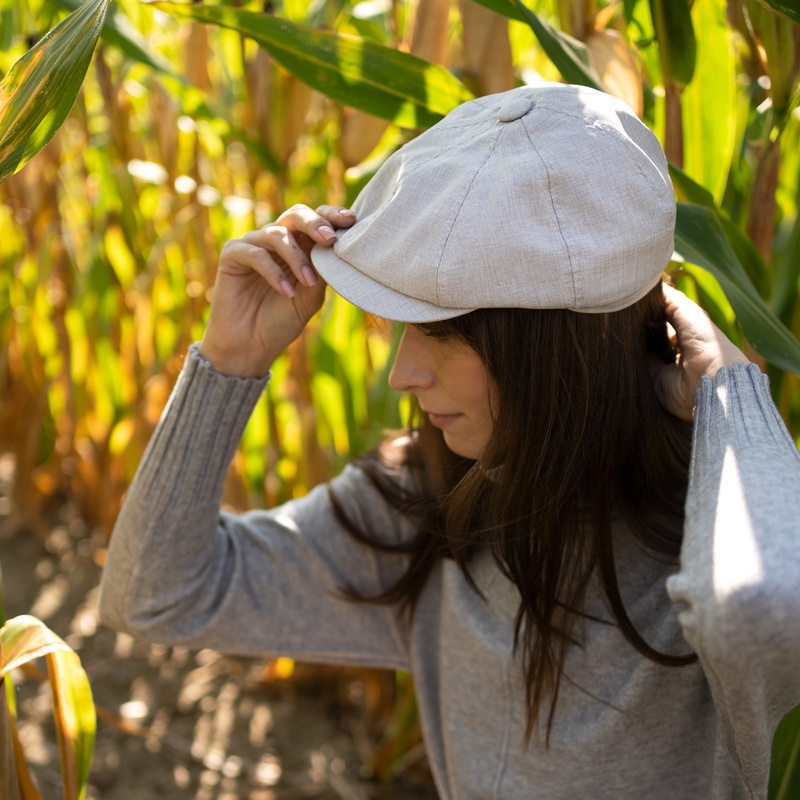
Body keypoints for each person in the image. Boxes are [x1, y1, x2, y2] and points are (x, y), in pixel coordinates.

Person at [98, 84, 800, 799]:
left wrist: (727, 397)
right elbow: (156, 595)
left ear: (552, 350)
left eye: (440, 332)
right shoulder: (430, 508)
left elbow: (763, 614)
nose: (402, 374)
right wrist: (228, 362)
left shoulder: (709, 540)